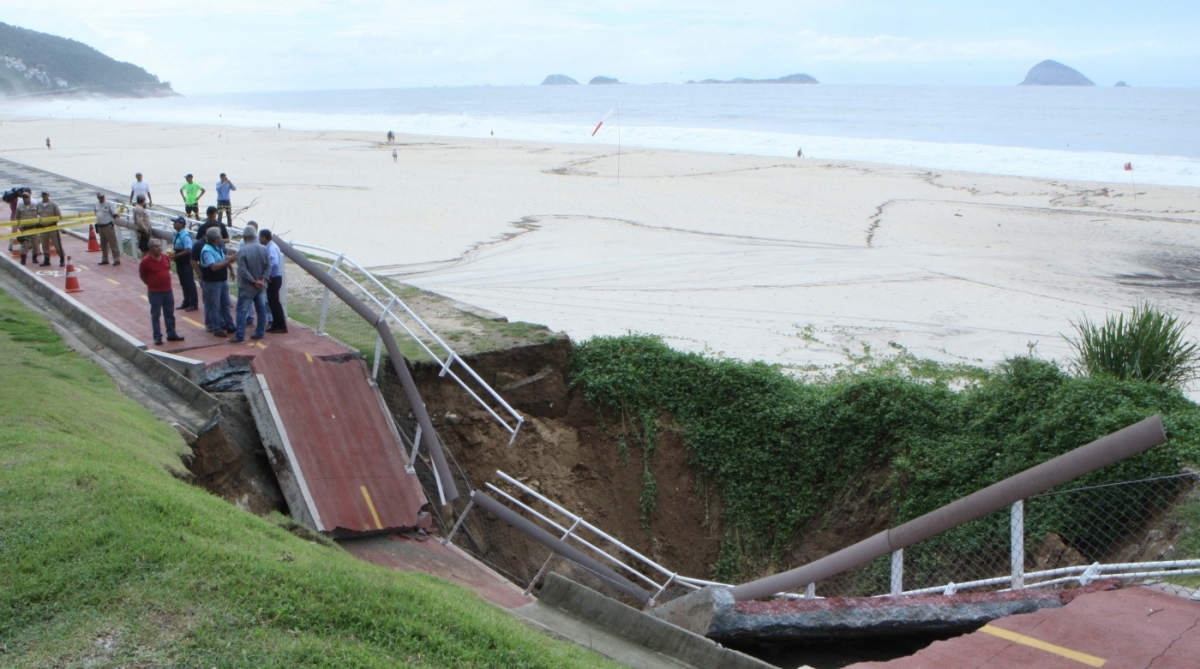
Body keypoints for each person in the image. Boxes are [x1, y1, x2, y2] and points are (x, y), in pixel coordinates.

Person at [138, 239, 185, 346]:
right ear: (151, 249)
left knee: (169, 314)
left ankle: (171, 334)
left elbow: (167, 268)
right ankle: (157, 337)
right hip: (155, 293)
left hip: (168, 291)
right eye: (156, 246)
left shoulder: (165, 257)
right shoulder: (145, 261)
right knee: (156, 315)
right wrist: (151, 284)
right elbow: (142, 275)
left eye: (159, 246)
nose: (159, 248)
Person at [230, 228, 269, 343]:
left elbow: (243, 270)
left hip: (247, 287)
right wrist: (262, 279)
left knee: (241, 311)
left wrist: (253, 281)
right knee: (261, 309)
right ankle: (260, 332)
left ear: (244, 237)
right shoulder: (263, 249)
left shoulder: (243, 251)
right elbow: (268, 266)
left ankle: (240, 336)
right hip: (261, 286)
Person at [199, 227, 236, 337]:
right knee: (215, 306)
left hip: (222, 280)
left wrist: (230, 267)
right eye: (220, 237)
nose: (221, 239)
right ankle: (217, 328)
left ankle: (229, 324)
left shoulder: (217, 247)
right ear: (216, 239)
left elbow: (222, 258)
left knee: (226, 304)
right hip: (212, 282)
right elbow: (213, 267)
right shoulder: (206, 250)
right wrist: (228, 261)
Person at [259, 228, 287, 333]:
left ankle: (282, 326)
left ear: (264, 237)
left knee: (274, 303)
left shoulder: (271, 248)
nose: (259, 239)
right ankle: (276, 324)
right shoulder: (270, 246)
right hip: (274, 277)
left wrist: (269, 275)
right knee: (272, 303)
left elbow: (274, 263)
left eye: (260, 237)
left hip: (274, 278)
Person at [171, 217, 199, 312]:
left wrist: (177, 255)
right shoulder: (176, 234)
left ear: (182, 224)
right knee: (183, 283)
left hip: (186, 262)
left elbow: (189, 249)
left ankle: (193, 303)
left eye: (176, 222)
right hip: (179, 262)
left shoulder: (185, 235)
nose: (174, 224)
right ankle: (186, 301)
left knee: (189, 282)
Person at [35, 191, 64, 267]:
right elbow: (36, 215)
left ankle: (62, 258)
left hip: (52, 226)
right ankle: (46, 259)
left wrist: (53, 222)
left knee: (57, 244)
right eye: (43, 195)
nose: (44, 196)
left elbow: (58, 215)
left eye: (45, 195)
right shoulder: (38, 205)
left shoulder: (53, 205)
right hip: (43, 227)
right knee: (44, 244)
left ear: (48, 195)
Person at [93, 192, 121, 266]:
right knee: (103, 244)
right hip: (100, 226)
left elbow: (115, 214)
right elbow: (96, 213)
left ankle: (116, 259)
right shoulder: (96, 205)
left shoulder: (109, 204)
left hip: (108, 226)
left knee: (113, 243)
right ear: (98, 198)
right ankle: (105, 259)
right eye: (100, 197)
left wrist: (116, 221)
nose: (102, 198)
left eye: (103, 197)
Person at [14, 191, 39, 265]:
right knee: (24, 244)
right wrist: (19, 226)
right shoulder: (20, 207)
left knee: (35, 244)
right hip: (24, 228)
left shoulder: (35, 206)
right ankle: (23, 259)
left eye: (27, 197)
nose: (25, 199)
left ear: (30, 198)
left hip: (34, 227)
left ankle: (35, 258)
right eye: (24, 198)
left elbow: (40, 215)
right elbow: (17, 218)